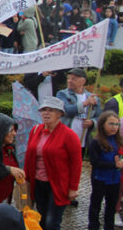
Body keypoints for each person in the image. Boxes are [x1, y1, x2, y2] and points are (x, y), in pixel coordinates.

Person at [24, 96, 82, 230]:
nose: (46, 113)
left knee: (52, 221)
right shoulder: (35, 130)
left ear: (60, 114)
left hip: (58, 184)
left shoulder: (69, 135)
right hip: (38, 183)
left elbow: (76, 163)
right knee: (41, 218)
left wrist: (73, 187)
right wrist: (26, 179)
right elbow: (29, 156)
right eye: (43, 110)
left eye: (51, 110)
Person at [87, 111, 123, 230]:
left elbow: (120, 157)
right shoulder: (96, 142)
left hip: (114, 179)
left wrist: (121, 163)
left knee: (111, 206)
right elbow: (95, 162)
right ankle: (93, 226)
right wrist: (114, 165)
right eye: (111, 124)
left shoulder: (118, 140)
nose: (114, 127)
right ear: (103, 124)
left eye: (117, 124)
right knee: (96, 205)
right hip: (100, 178)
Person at [56, 67, 101, 148]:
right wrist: (85, 103)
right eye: (68, 78)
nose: (70, 81)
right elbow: (67, 111)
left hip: (83, 139)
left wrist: (92, 122)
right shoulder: (62, 94)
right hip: (65, 139)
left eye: (74, 79)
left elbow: (99, 117)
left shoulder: (93, 98)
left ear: (83, 81)